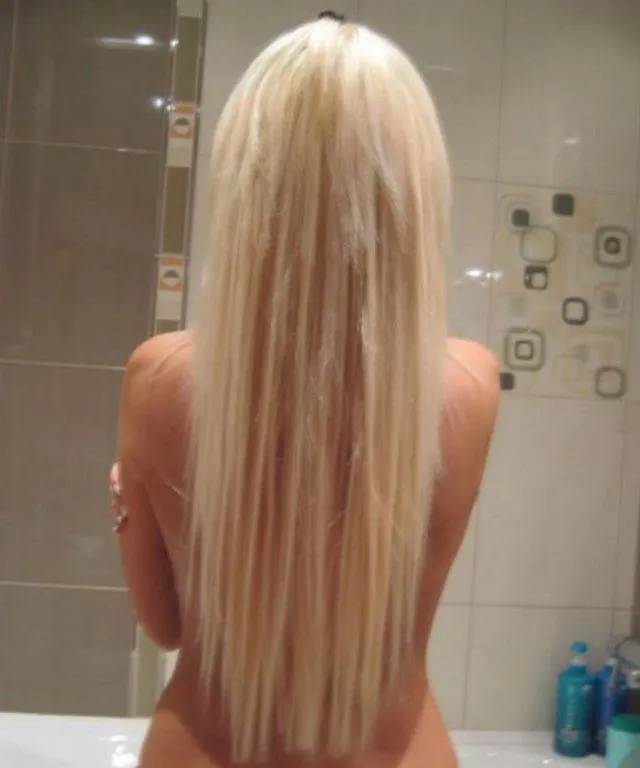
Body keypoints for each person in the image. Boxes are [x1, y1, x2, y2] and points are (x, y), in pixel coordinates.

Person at [110, 15, 499, 768]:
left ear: (246, 184)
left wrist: (128, 494)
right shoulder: (471, 384)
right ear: (416, 190)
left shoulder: (160, 377)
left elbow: (166, 626)